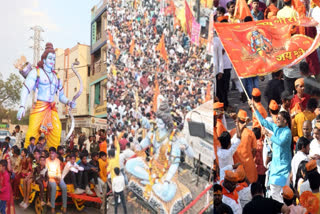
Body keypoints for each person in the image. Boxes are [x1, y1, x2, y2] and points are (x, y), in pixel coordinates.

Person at [17, 43, 76, 149]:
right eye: (50, 58)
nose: (52, 61)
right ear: (44, 59)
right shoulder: (36, 72)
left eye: (54, 59)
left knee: (56, 131)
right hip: (39, 107)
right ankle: (27, 157)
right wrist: (22, 106)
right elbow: (26, 89)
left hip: (51, 108)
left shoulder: (56, 76)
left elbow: (61, 96)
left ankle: (50, 157)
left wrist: (68, 102)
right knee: (32, 134)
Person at [250, 100, 292, 203]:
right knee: (273, 192)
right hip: (275, 167)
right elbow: (263, 122)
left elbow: (280, 142)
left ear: (285, 121)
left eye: (279, 119)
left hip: (284, 167)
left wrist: (268, 135)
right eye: (277, 118)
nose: (276, 120)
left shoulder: (287, 132)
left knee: (284, 193)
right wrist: (254, 108)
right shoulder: (276, 128)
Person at [233, 109, 258, 183]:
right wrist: (250, 158)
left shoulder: (232, 133)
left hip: (236, 167)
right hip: (248, 167)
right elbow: (254, 150)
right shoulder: (250, 133)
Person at [46, 147, 67, 214]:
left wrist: (58, 178)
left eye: (53, 153)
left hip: (57, 177)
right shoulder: (46, 160)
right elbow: (47, 172)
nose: (51, 154)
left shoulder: (57, 160)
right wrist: (54, 176)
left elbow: (59, 171)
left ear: (55, 154)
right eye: (50, 153)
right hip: (50, 177)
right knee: (54, 187)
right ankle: (53, 207)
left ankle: (64, 206)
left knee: (64, 187)